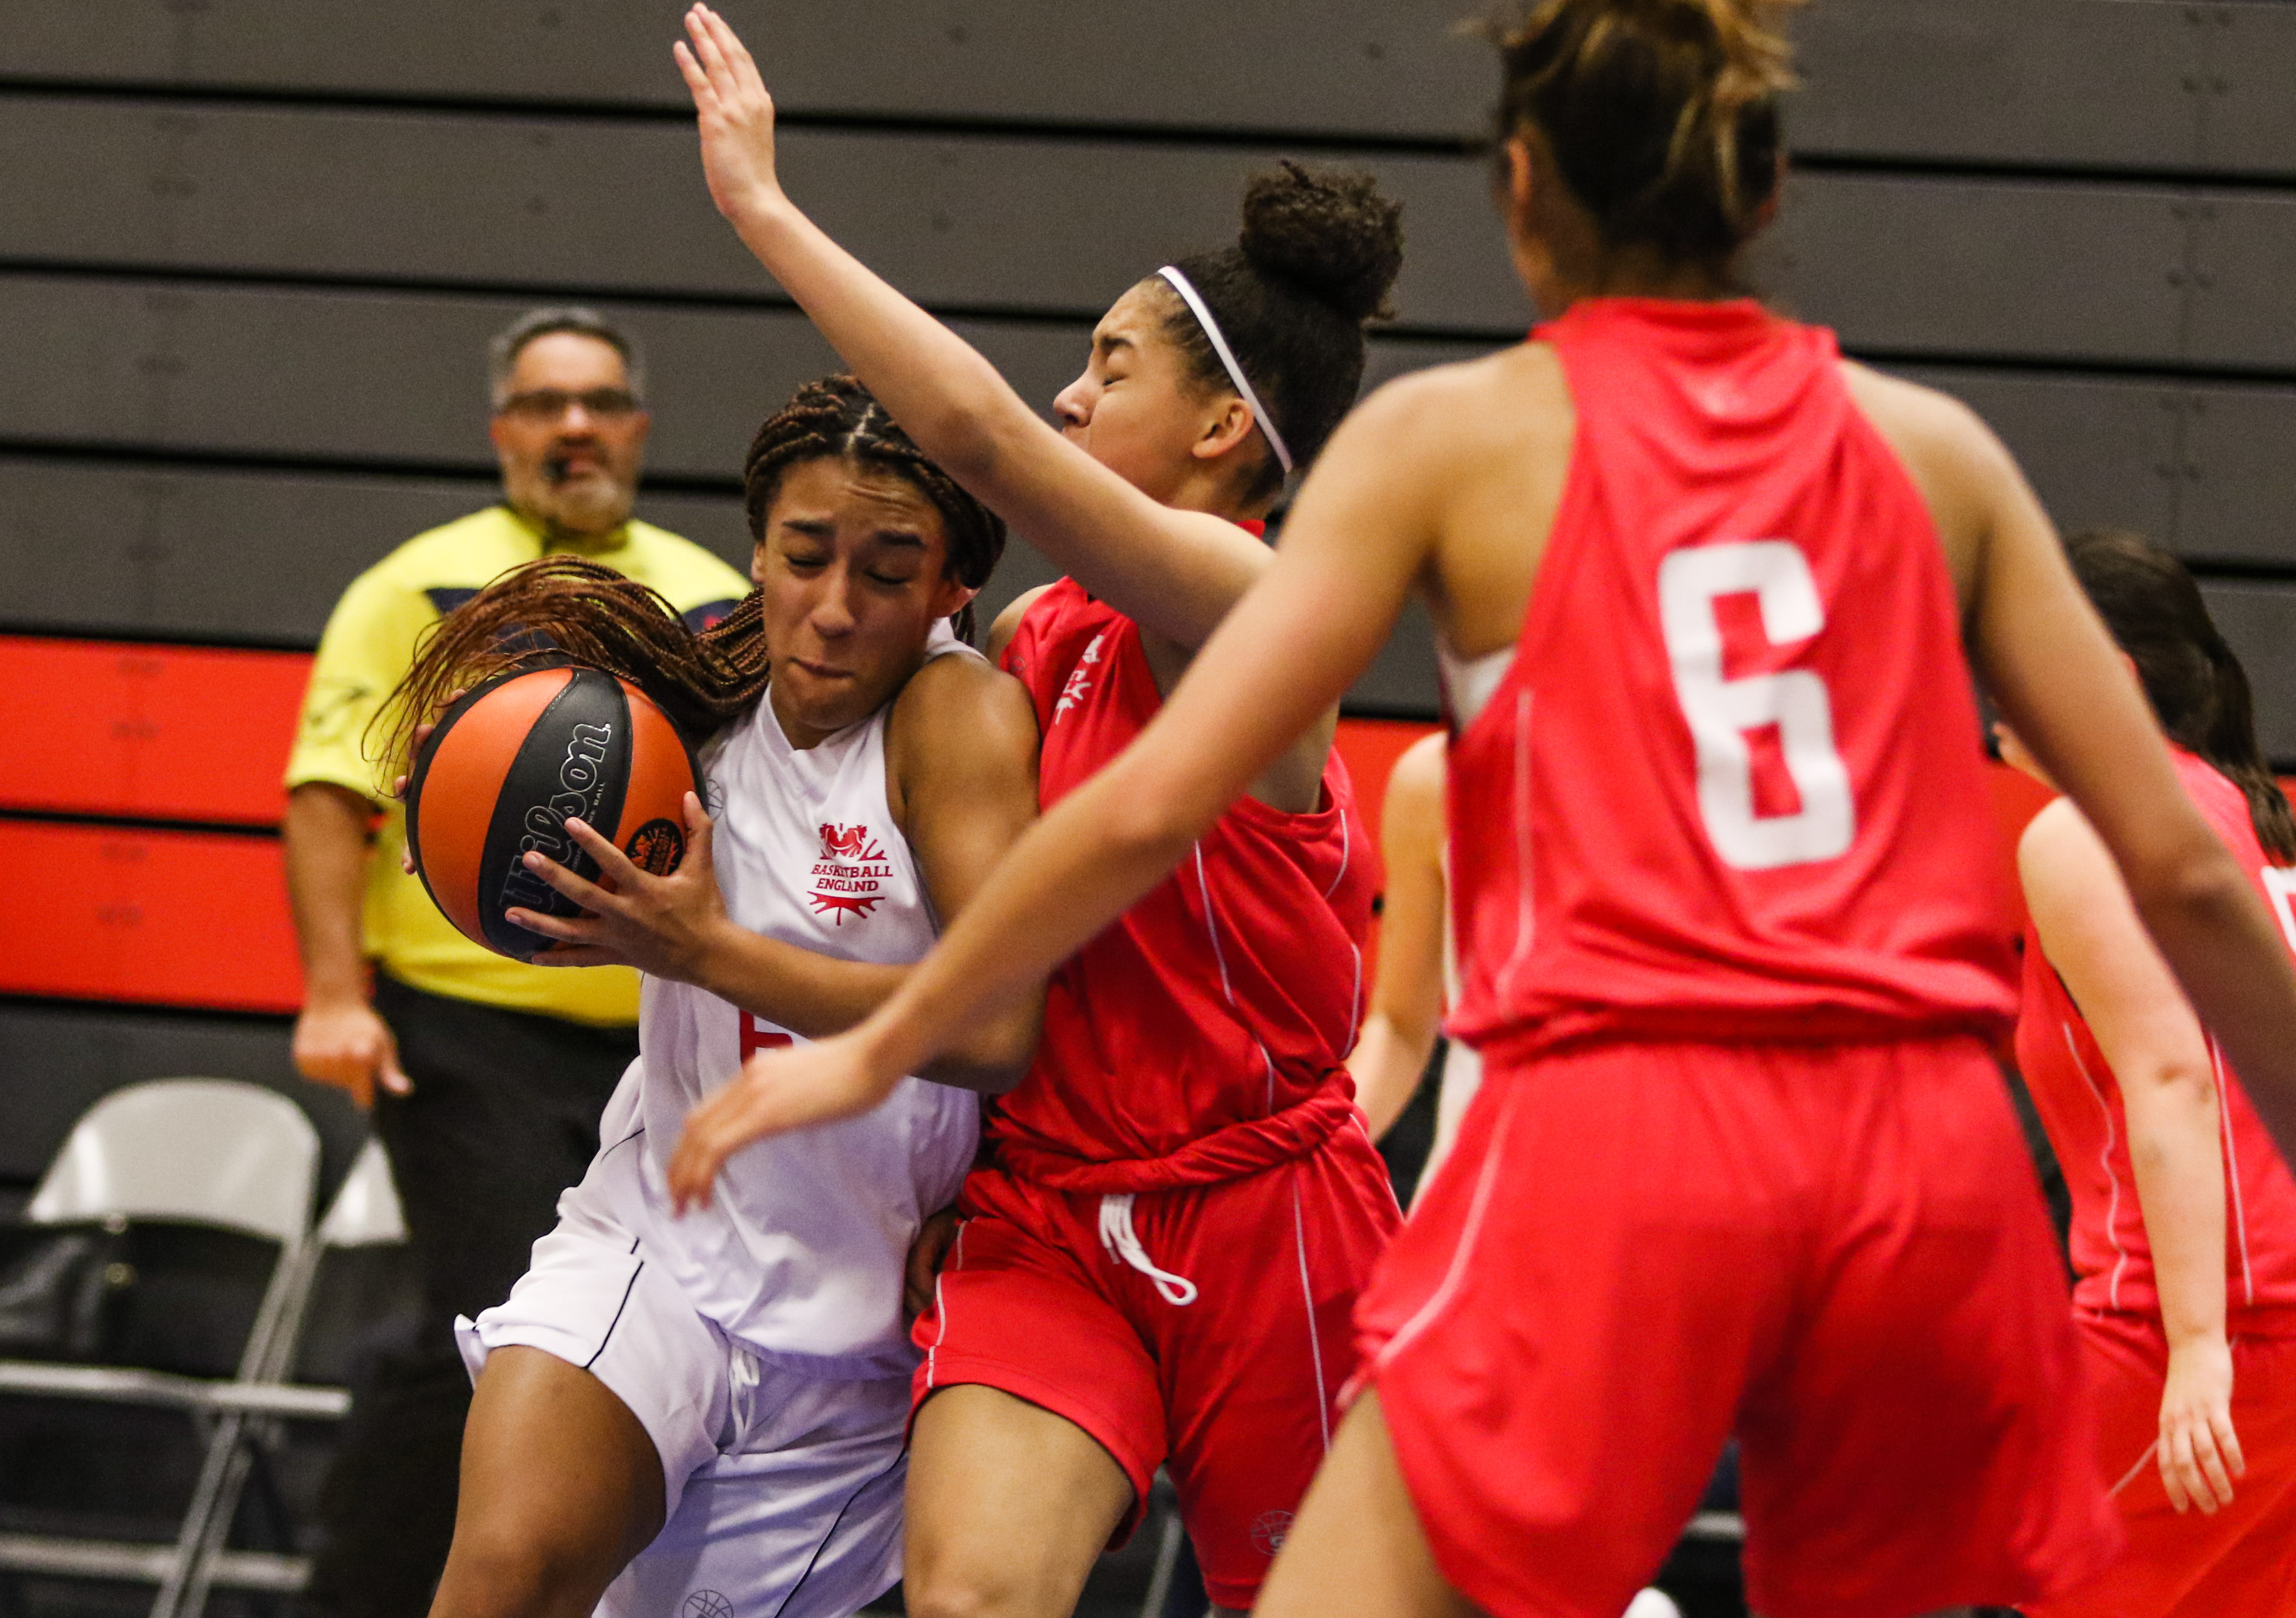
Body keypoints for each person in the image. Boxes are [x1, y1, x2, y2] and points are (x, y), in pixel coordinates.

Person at [669, 3, 2296, 1616]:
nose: (1074, 396)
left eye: (1108, 365)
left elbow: (1135, 805)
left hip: (1616, 1115)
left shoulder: (1453, 441)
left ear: (1519, 189)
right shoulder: (1935, 449)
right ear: (1766, 194)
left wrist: (880, 1045)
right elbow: (2180, 864)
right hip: (1909, 1147)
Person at [667, 11, 1405, 1614]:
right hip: (1050, 1209)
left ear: (1221, 430)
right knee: (971, 1597)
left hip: (1262, 1214)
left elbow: (977, 436)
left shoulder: (1247, 601)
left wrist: (762, 209)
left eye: (1109, 367)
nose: (1068, 397)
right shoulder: (1034, 634)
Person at [382, 376, 1043, 1618]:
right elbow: (570, 841)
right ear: (757, 549)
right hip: (655, 1252)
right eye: (803, 555)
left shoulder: (954, 716)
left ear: (952, 585)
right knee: (508, 1571)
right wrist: (481, 829)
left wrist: (705, 951)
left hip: (851, 1335)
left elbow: (998, 1027)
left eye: (887, 572)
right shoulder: (697, 702)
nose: (833, 607)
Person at [282, 307, 748, 1618]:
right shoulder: (417, 589)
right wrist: (335, 995)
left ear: (639, 429)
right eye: (546, 405)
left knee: (612, 1343)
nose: (575, 428)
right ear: (504, 431)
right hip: (465, 1029)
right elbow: (326, 794)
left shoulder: (709, 599)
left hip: (661, 1045)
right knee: (508, 1321)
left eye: (599, 404)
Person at [2001, 530, 2296, 1618]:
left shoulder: (2090, 836)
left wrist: (2197, 1347)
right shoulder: (2250, 824)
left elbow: (2174, 1076)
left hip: (2203, 1333)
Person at [1346, 732, 1481, 1203]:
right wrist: (1320, 1148)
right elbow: (1399, 1026)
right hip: (1477, 1184)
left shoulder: (1691, 760)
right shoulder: (1437, 775)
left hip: (1671, 1169)